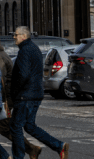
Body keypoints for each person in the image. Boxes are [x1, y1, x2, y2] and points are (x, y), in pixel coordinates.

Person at [10, 27, 69, 159]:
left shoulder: (24, 51)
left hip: (25, 95)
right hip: (36, 93)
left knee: (15, 126)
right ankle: (59, 146)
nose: (14, 37)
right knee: (29, 126)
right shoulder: (34, 48)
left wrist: (14, 93)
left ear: (23, 36)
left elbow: (23, 75)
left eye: (16, 35)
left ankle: (18, 157)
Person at [0, 33, 40, 159]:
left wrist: (1, 101)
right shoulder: (0, 56)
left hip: (1, 100)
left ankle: (31, 149)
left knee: (6, 129)